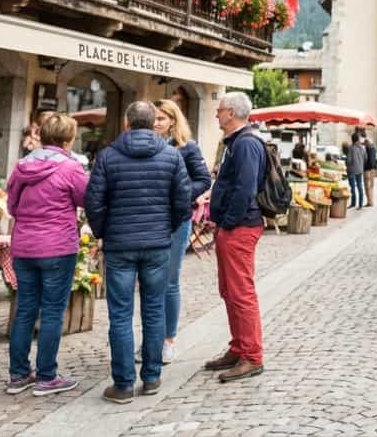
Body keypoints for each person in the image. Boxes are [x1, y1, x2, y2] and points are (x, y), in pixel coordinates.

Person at [84, 101, 190, 403]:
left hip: (120, 245)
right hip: (157, 244)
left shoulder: (108, 156)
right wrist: (165, 226)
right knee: (154, 310)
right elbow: (183, 202)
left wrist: (105, 230)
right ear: (152, 122)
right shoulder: (171, 156)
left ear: (127, 124)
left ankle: (123, 384)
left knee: (120, 314)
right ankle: (152, 377)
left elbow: (93, 201)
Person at [5, 113, 88, 397]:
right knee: (52, 311)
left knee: (25, 309)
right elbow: (85, 199)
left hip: (24, 246)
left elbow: (12, 208)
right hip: (57, 246)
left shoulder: (21, 166)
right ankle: (46, 376)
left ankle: (18, 375)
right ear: (69, 138)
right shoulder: (71, 167)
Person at [205, 91, 267, 382]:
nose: (217, 114)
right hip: (233, 226)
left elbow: (245, 189)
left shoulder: (246, 144)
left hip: (240, 227)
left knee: (241, 293)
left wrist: (227, 223)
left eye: (219, 110)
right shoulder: (236, 143)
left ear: (231, 113)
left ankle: (252, 356)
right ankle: (239, 347)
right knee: (229, 291)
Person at [153, 99, 213, 363]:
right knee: (150, 280)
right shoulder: (146, 145)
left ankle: (168, 340)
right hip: (151, 218)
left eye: (161, 119)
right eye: (153, 119)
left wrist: (179, 195)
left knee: (169, 280)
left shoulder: (187, 148)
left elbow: (203, 179)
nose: (156, 124)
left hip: (178, 219)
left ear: (173, 122)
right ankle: (151, 338)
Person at [346, 132, 366, 209]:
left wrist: (346, 163)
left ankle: (353, 203)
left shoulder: (351, 148)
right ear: (358, 139)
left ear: (352, 140)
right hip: (360, 169)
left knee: (353, 187)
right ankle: (360, 205)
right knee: (360, 186)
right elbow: (365, 158)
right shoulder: (362, 148)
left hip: (352, 170)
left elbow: (349, 160)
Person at [362, 132, 377, 205]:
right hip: (373, 169)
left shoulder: (368, 149)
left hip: (368, 170)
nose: (364, 145)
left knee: (367, 187)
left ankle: (369, 202)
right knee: (371, 186)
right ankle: (371, 201)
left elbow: (370, 160)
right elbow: (374, 160)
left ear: (367, 143)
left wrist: (367, 167)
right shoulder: (374, 148)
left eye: (365, 144)